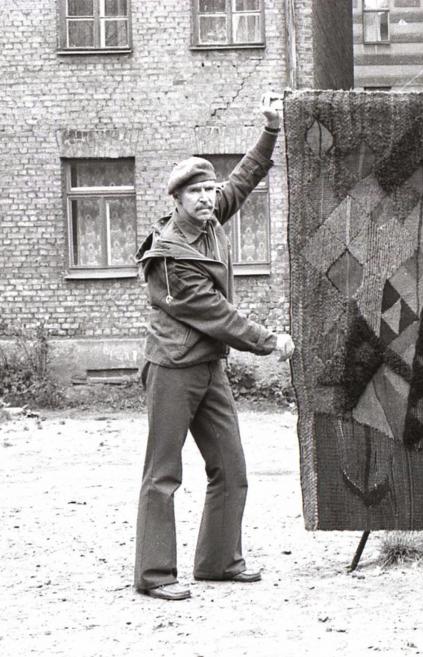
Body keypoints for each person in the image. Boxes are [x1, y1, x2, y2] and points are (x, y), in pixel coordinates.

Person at [133, 100, 295, 601]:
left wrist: (270, 130)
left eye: (209, 189)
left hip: (208, 367)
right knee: (163, 474)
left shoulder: (209, 221)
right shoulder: (171, 255)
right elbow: (216, 315)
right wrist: (269, 340)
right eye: (195, 192)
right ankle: (155, 575)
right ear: (177, 200)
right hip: (173, 367)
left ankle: (219, 562)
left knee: (231, 467)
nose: (207, 198)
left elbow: (242, 180)